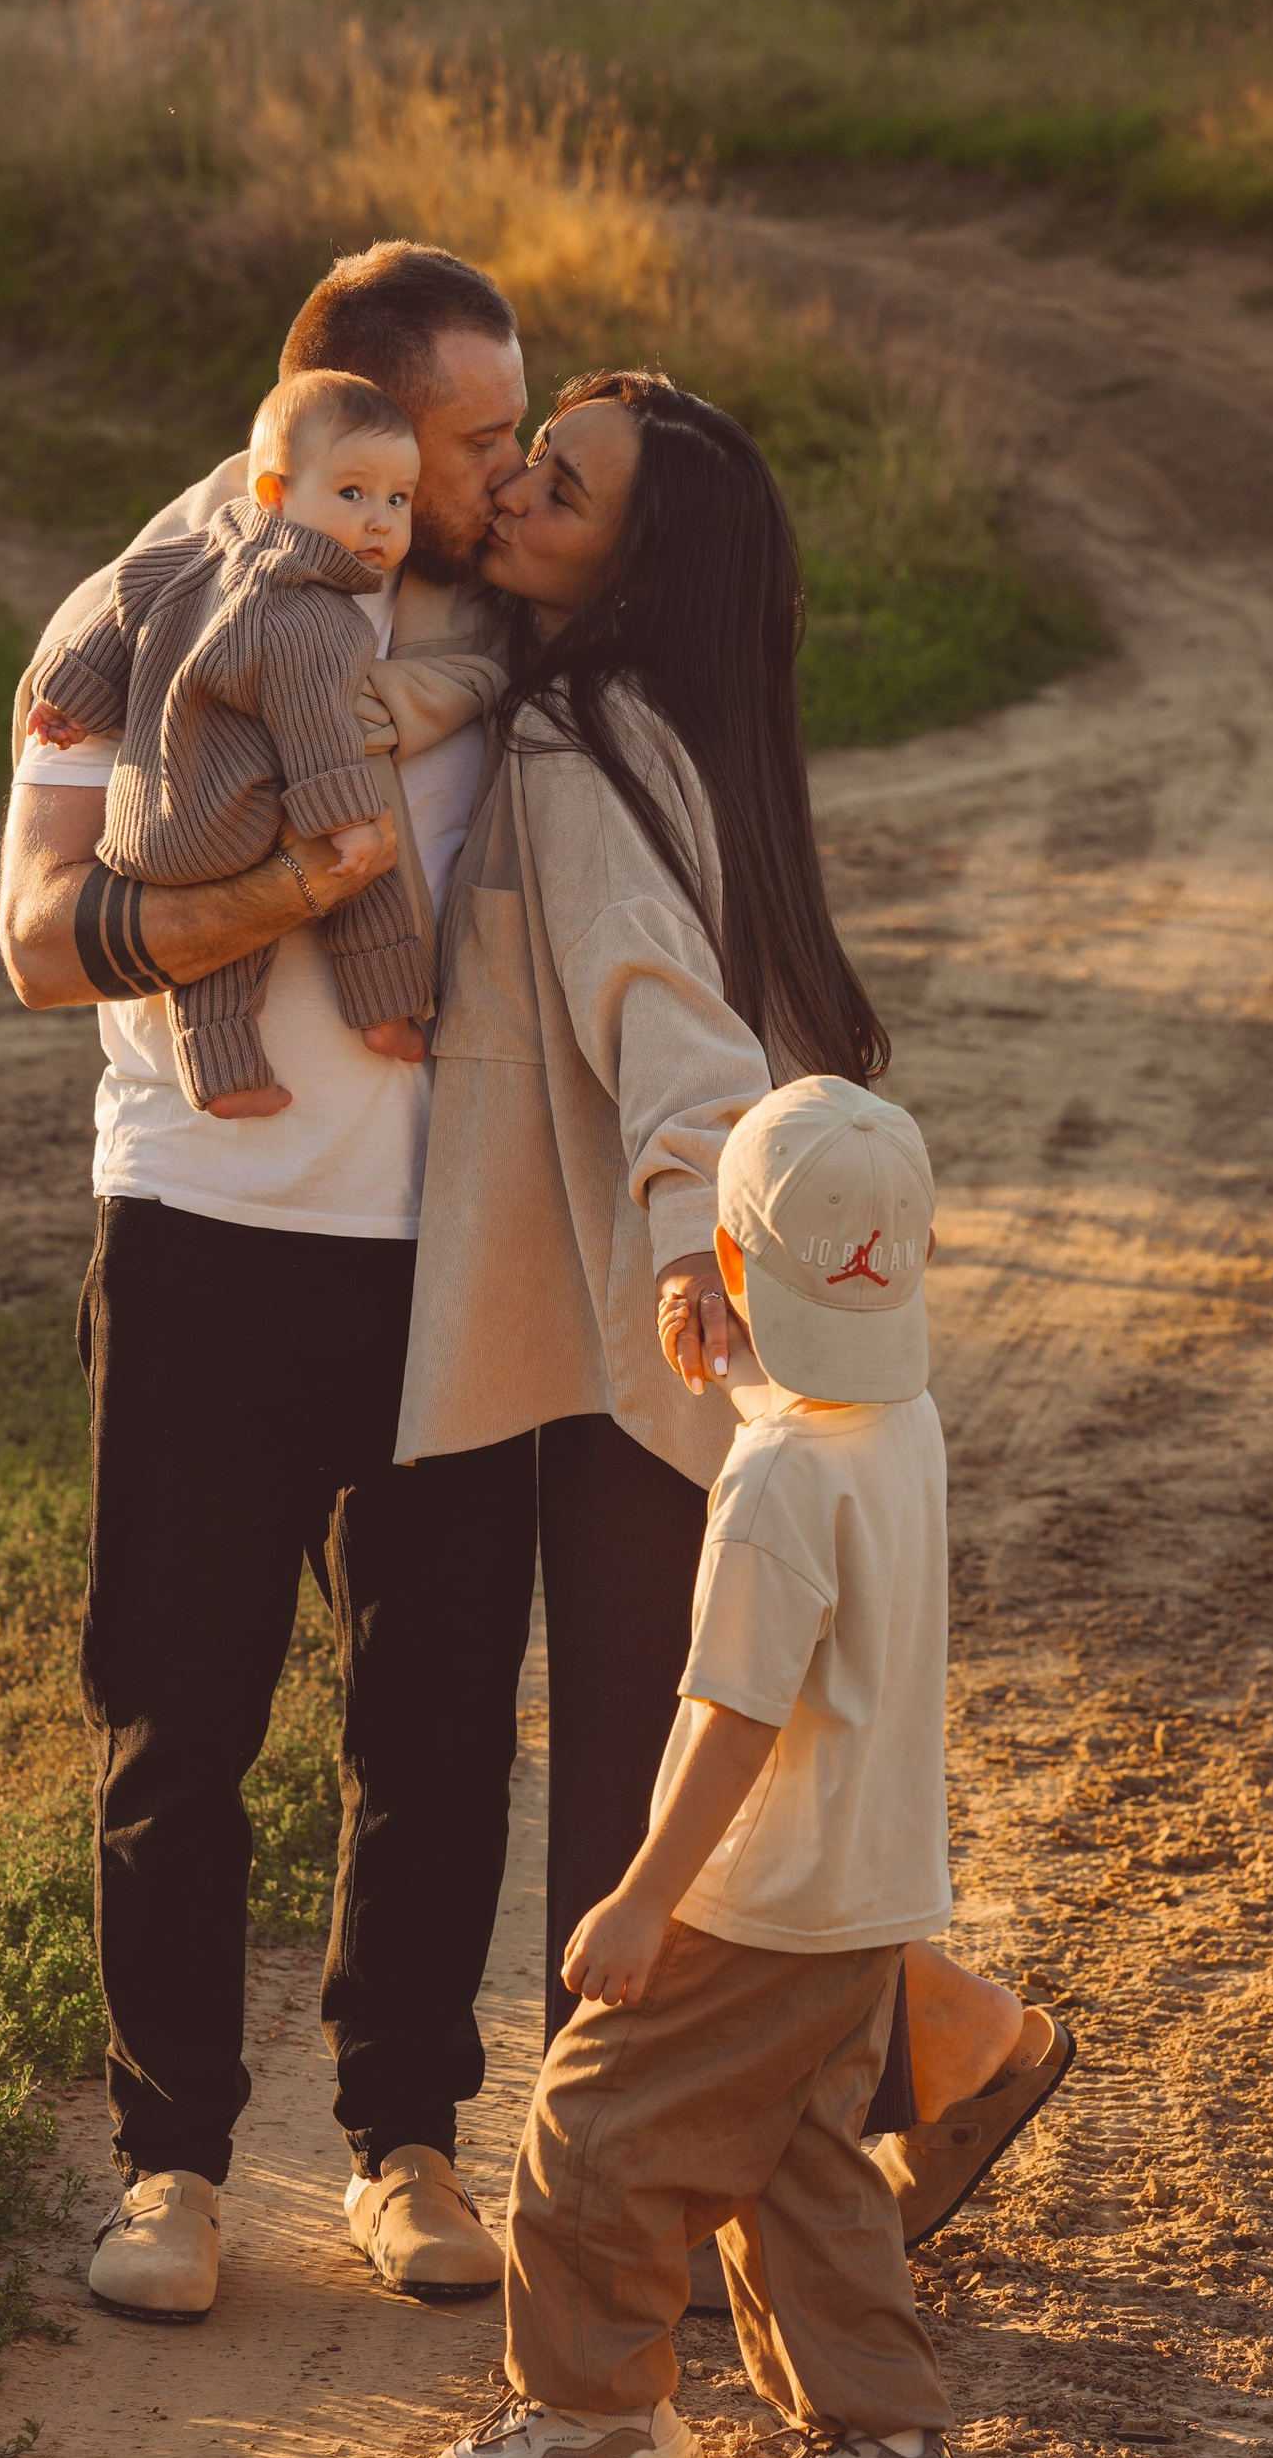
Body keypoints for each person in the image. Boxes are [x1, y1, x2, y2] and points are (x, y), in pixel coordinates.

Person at [395, 370, 1069, 2250]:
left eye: (567, 486)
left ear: (638, 564)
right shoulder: (684, 729)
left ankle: (642, 2207)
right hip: (740, 1296)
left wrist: (692, 1238)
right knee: (741, 1742)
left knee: (651, 1763)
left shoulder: (578, 742)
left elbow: (663, 1018)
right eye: (531, 465)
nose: (522, 492)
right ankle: (948, 2039)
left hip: (671, 1313)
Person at [0, 243, 536, 2324]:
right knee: (174, 1711)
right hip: (204, 1235)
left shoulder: (514, 618)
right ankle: (172, 2172)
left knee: (431, 1720)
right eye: (475, 436)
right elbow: (41, 944)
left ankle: (408, 2146)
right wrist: (279, 896)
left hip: (455, 1249)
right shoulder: (135, 618)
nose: (501, 472)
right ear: (350, 421)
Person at [436, 1074, 982, 2458]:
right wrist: (748, 1370)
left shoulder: (769, 1491)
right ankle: (887, 2450)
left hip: (758, 1898)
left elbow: (730, 1717)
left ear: (729, 1266)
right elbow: (821, 1416)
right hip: (869, 1890)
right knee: (799, 2172)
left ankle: (598, 2414)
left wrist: (642, 1900)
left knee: (592, 2127)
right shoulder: (899, 1421)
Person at [23, 369, 500, 1114]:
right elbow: (319, 735)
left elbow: (120, 609)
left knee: (217, 964)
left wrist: (68, 698)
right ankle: (385, 1013)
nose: (380, 522)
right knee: (363, 879)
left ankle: (222, 1074)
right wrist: (348, 823)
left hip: (151, 823)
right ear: (273, 493)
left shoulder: (191, 555)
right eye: (352, 494)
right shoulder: (315, 618)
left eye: (397, 500)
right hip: (233, 822)